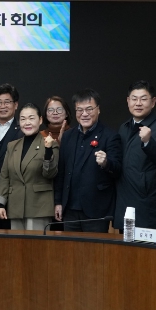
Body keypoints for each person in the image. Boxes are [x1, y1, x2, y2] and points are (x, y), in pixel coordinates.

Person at [54, 89, 122, 233]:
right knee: (70, 247)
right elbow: (61, 172)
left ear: (98, 110)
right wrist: (58, 202)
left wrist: (106, 163)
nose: (84, 114)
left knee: (95, 248)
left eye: (89, 109)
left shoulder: (110, 136)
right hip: (70, 209)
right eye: (80, 110)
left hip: (96, 210)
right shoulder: (67, 136)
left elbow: (118, 170)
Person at [114, 81, 156, 233]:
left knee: (147, 249)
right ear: (128, 101)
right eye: (134, 99)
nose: (138, 103)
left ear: (153, 102)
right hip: (125, 204)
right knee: (123, 247)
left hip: (148, 206)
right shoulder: (124, 127)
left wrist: (148, 141)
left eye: (143, 99)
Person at [0, 103, 58, 231]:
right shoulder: (12, 146)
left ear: (40, 120)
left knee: (36, 244)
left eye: (31, 118)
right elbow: (4, 176)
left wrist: (48, 150)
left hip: (39, 207)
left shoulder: (49, 144)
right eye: (23, 119)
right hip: (15, 207)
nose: (27, 122)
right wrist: (0, 203)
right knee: (16, 244)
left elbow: (50, 174)